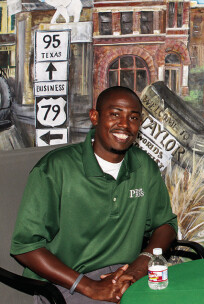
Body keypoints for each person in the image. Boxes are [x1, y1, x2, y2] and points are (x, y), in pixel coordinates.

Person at [10, 86, 178, 303]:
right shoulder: (55, 168)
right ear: (95, 117)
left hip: (127, 275)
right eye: (115, 114)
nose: (125, 125)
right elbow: (25, 247)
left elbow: (165, 224)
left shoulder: (143, 165)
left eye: (133, 117)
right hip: (68, 283)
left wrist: (137, 269)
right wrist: (89, 286)